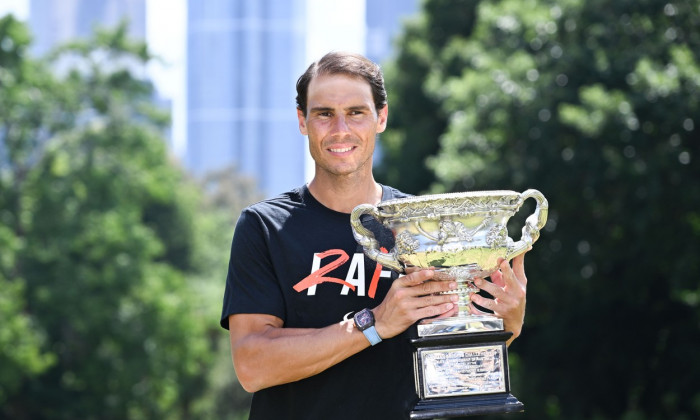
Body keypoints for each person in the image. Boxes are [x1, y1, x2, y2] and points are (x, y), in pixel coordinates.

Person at [220, 51, 528, 420]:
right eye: (324, 114)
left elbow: (459, 354)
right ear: (302, 120)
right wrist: (375, 323)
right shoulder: (265, 227)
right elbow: (253, 366)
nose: (340, 130)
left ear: (381, 117)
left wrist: (507, 322)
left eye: (356, 112)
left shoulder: (428, 228)